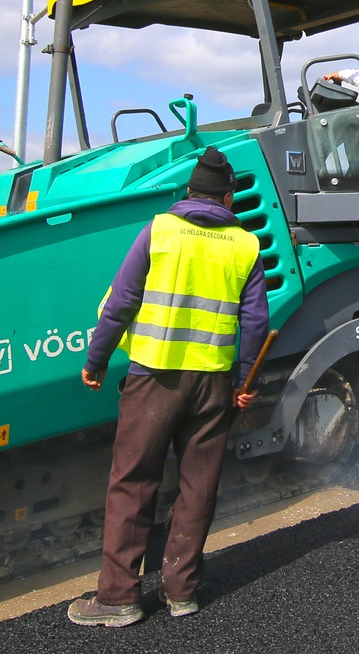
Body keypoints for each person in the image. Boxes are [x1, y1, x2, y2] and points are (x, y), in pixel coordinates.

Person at [68, 147, 269, 627]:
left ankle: (119, 599)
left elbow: (121, 302)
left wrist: (96, 361)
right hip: (213, 383)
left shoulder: (159, 231)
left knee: (133, 482)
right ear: (226, 198)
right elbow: (256, 324)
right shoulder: (245, 246)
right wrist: (244, 381)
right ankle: (183, 592)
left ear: (189, 194)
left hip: (153, 378)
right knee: (198, 486)